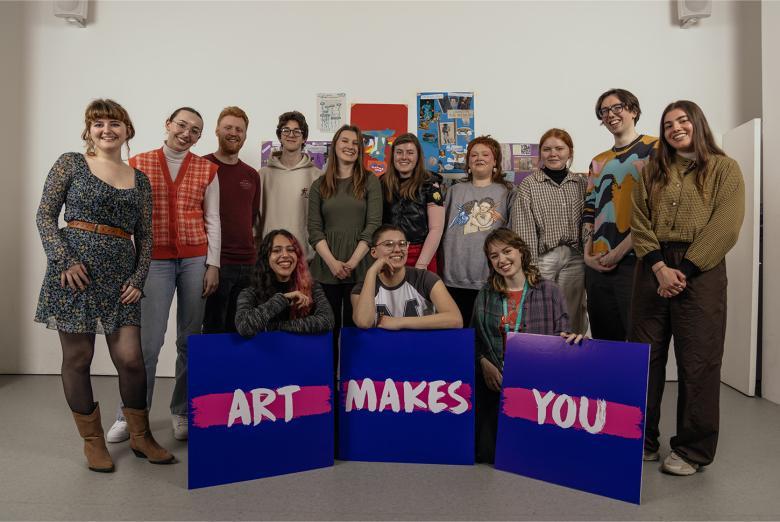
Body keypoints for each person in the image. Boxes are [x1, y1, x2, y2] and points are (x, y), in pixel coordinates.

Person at [35, 99, 173, 472]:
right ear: (89, 130)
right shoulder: (70, 163)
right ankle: (93, 442)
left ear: (127, 130)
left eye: (114, 123)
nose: (106, 130)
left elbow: (146, 236)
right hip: (74, 273)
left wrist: (138, 278)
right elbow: (45, 215)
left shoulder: (139, 179)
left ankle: (141, 436)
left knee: (131, 359)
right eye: (99, 123)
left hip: (121, 277)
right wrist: (63, 260)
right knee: (78, 358)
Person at [631, 100, 744, 475]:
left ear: (698, 123)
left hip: (701, 268)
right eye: (668, 124)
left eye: (682, 121)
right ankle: (641, 439)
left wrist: (684, 270)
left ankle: (692, 449)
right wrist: (659, 267)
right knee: (644, 357)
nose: (675, 128)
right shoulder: (651, 170)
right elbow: (639, 219)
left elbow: (726, 224)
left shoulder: (725, 168)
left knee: (699, 360)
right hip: (652, 265)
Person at [108, 107, 220, 443]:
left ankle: (182, 411)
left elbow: (212, 218)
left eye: (195, 130)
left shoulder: (207, 169)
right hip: (152, 261)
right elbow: (125, 215)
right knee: (147, 344)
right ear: (168, 125)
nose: (187, 133)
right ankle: (131, 414)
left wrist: (213, 264)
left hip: (195, 259)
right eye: (182, 125)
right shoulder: (138, 163)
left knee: (190, 341)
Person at [472, 228, 583, 464]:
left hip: (536, 382)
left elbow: (562, 335)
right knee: (488, 453)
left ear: (521, 252)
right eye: (494, 256)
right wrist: (483, 362)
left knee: (535, 453)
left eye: (507, 251)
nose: (502, 260)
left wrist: (574, 341)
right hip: (497, 380)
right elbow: (474, 338)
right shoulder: (486, 294)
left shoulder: (549, 291)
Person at [583, 88, 658, 340]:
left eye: (617, 107)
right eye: (604, 111)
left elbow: (657, 211)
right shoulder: (598, 161)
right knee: (604, 342)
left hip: (636, 261)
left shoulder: (655, 149)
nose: (610, 114)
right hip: (599, 264)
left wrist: (619, 251)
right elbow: (589, 210)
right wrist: (587, 255)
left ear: (633, 111)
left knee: (639, 340)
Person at [307, 124, 383, 352]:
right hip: (325, 268)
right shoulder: (319, 185)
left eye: (355, 143)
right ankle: (327, 374)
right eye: (345, 141)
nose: (350, 146)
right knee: (325, 333)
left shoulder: (370, 181)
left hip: (360, 268)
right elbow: (314, 230)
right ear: (335, 145)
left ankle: (353, 375)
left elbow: (373, 225)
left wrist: (352, 262)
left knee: (356, 332)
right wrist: (333, 263)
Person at [511, 128, 588, 333]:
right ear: (540, 154)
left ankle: (570, 351)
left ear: (570, 152)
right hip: (543, 258)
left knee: (572, 311)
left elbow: (588, 223)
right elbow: (523, 228)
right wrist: (530, 265)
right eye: (547, 149)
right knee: (541, 311)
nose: (553, 154)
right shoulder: (529, 185)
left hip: (575, 257)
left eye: (559, 149)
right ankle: (544, 350)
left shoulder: (581, 183)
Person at [441, 135, 514, 325]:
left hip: (490, 277)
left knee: (487, 331)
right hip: (454, 276)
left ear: (495, 161)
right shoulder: (454, 191)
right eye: (474, 155)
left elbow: (512, 236)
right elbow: (440, 230)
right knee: (457, 331)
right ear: (468, 162)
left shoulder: (507, 192)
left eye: (485, 154)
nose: (479, 158)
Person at [202, 106, 260, 334]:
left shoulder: (251, 175)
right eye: (228, 127)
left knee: (241, 331)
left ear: (245, 135)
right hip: (215, 263)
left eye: (239, 129)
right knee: (213, 329)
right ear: (217, 130)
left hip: (247, 264)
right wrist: (211, 264)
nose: (234, 133)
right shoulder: (202, 167)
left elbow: (251, 217)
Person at [351, 225, 462, 330]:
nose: (397, 249)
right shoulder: (361, 289)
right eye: (389, 244)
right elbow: (363, 322)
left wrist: (399, 322)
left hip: (421, 343)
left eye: (402, 244)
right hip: (383, 344)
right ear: (374, 252)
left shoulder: (425, 279)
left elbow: (455, 320)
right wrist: (371, 272)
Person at [234, 230, 334, 337]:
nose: (285, 255)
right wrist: (283, 299)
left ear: (297, 256)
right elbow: (244, 327)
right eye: (276, 250)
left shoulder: (312, 286)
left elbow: (327, 320)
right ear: (266, 257)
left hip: (300, 347)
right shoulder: (250, 291)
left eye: (291, 250)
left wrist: (273, 327)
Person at [259, 111, 322, 260]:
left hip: (306, 257)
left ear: (304, 138)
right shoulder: (263, 175)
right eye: (286, 130)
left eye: (297, 131)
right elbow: (255, 221)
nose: (291, 135)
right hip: (271, 256)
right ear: (280, 136)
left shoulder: (317, 176)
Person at [380, 133, 445, 272]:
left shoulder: (430, 184)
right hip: (388, 253)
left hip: (421, 253)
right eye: (399, 152)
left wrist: (422, 264)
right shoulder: (382, 183)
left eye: (410, 153)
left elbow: (436, 229)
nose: (404, 157)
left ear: (418, 157)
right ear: (393, 156)